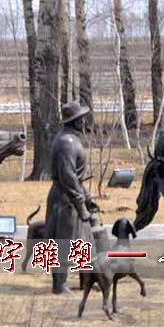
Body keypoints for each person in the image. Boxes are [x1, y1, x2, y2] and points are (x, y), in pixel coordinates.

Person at [44, 101, 98, 294]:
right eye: (81, 119)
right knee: (64, 241)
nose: (84, 122)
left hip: (73, 196)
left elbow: (76, 177)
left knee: (85, 239)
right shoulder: (66, 143)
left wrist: (87, 198)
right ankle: (59, 284)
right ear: (74, 121)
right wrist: (81, 204)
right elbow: (68, 177)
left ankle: (88, 280)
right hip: (65, 200)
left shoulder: (71, 139)